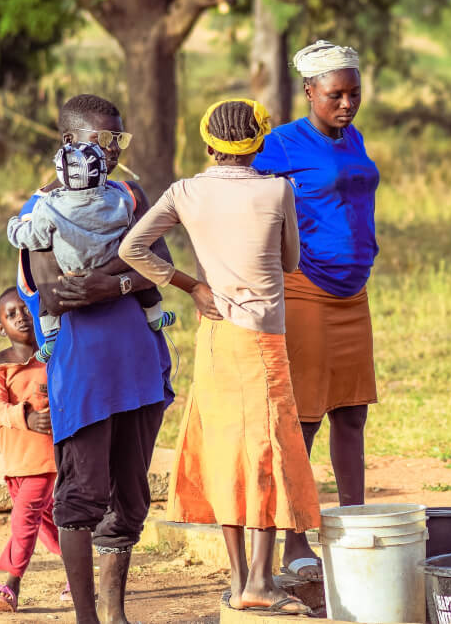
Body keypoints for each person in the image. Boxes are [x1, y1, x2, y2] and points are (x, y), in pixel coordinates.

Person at [120, 99, 320, 613]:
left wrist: (190, 285)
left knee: (226, 451)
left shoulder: (186, 191)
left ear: (209, 145)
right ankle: (260, 582)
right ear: (258, 145)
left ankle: (239, 582)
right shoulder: (278, 189)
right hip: (261, 342)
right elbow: (292, 261)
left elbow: (132, 249)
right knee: (265, 453)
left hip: (214, 337)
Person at [16, 94, 174, 624]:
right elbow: (54, 294)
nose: (110, 151)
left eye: (117, 140)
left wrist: (116, 282)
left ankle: (115, 612)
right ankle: (87, 617)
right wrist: (123, 276)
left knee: (130, 497)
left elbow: (160, 269)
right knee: (82, 496)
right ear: (69, 142)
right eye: (101, 140)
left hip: (141, 368)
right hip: (84, 373)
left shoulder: (130, 194)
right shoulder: (41, 209)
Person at [251, 40, 378, 581]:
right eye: (335, 95)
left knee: (352, 412)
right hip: (305, 287)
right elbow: (247, 203)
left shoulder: (355, 137)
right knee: (303, 418)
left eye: (353, 93)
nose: (346, 104)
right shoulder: (280, 145)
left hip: (354, 292)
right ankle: (295, 539)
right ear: (309, 92)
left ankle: (354, 525)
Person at [7, 142, 174, 362]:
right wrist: (119, 278)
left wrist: (13, 227)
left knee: (46, 306)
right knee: (147, 288)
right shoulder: (121, 198)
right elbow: (148, 252)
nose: (113, 147)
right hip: (114, 259)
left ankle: (50, 337)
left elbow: (34, 239)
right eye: (102, 138)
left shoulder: (49, 207)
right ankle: (155, 315)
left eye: (118, 137)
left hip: (73, 268)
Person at [0, 288, 68, 613]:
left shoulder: (54, 355)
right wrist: (25, 417)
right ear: (1, 327)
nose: (21, 316)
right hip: (15, 460)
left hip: (45, 460)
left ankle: (10, 584)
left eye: (25, 309)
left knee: (24, 519)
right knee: (47, 522)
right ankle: (79, 572)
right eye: (11, 313)